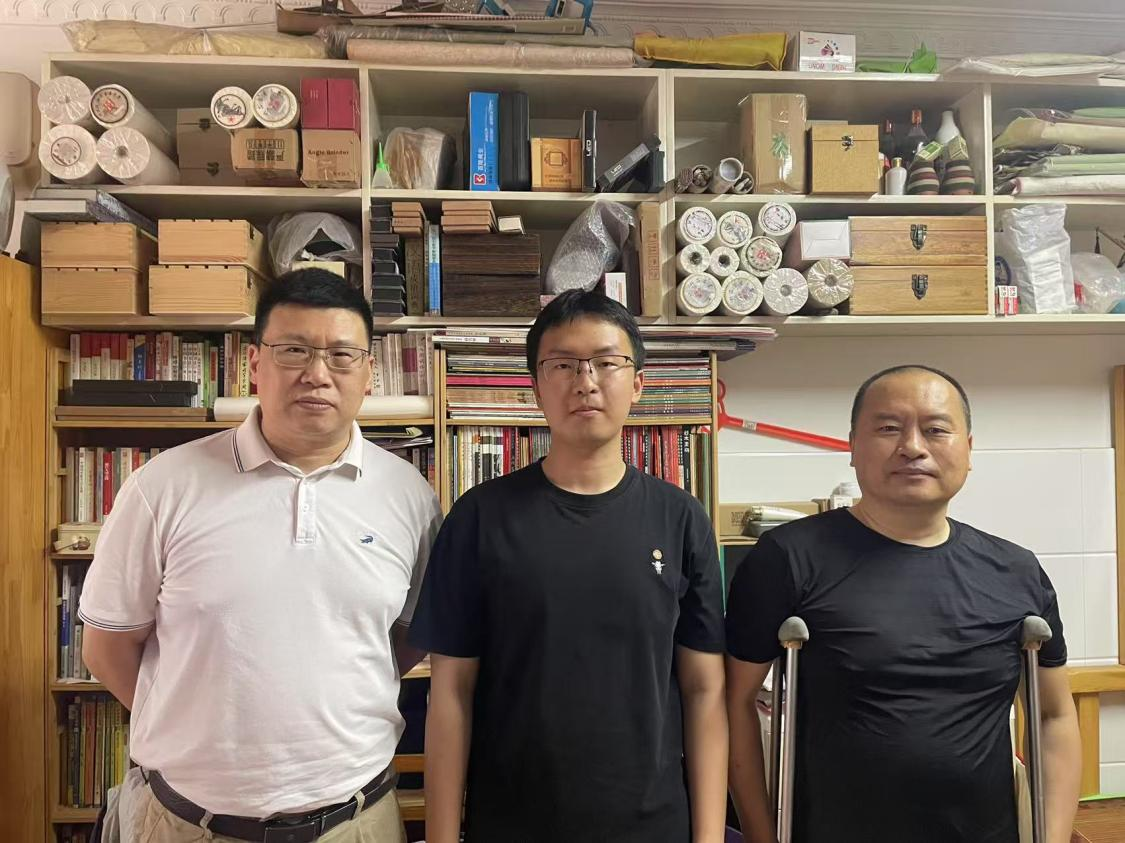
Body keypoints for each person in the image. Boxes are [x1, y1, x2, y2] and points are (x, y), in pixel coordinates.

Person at [80, 269, 442, 842]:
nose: (317, 374)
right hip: (185, 822)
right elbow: (107, 647)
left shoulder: (410, 497)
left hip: (356, 822)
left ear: (369, 372)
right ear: (254, 363)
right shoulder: (163, 487)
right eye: (294, 350)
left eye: (341, 355)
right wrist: (201, 730)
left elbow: (406, 637)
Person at [410, 290, 728, 843]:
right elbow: (451, 693)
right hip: (511, 824)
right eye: (562, 365)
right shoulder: (479, 518)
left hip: (652, 825)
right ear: (536, 388)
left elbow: (705, 691)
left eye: (607, 362)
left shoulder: (680, 518)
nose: (586, 381)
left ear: (638, 383)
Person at [725, 364, 1082, 843]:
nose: (912, 446)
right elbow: (734, 702)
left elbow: (1052, 716)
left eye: (935, 430)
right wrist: (761, 836)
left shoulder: (1016, 571)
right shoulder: (787, 559)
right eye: (889, 428)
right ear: (853, 446)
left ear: (968, 450)